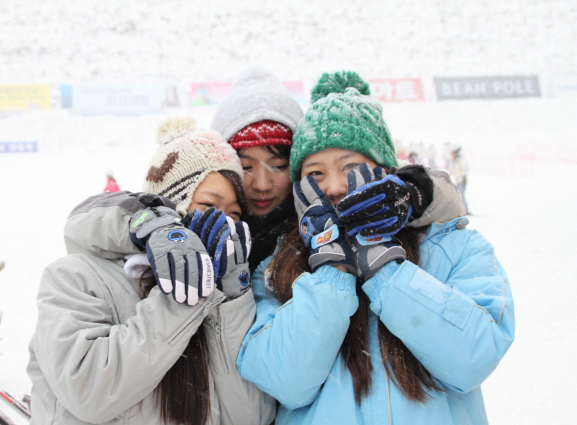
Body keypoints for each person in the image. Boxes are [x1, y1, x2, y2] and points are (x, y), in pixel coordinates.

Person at [236, 71, 514, 425]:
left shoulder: (451, 245)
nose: (334, 187)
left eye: (350, 167)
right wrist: (331, 275)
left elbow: (473, 359)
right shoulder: (277, 266)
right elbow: (285, 382)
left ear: (385, 170)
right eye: (316, 173)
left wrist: (386, 271)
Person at [27, 115, 275, 425]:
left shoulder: (225, 297)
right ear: (168, 206)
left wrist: (232, 303)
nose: (221, 224)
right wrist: (184, 293)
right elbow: (90, 393)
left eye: (234, 214)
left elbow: (253, 416)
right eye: (208, 207)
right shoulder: (75, 277)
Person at [210, 65, 305, 273]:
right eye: (245, 167)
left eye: (278, 166)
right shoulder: (193, 232)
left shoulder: (322, 237)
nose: (262, 185)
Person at [448, 143, 470, 213]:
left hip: (462, 180)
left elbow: (465, 170)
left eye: (453, 154)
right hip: (458, 181)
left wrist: (461, 176)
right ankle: (461, 209)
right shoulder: (454, 162)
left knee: (461, 195)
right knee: (459, 195)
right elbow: (450, 171)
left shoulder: (460, 161)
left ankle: (465, 210)